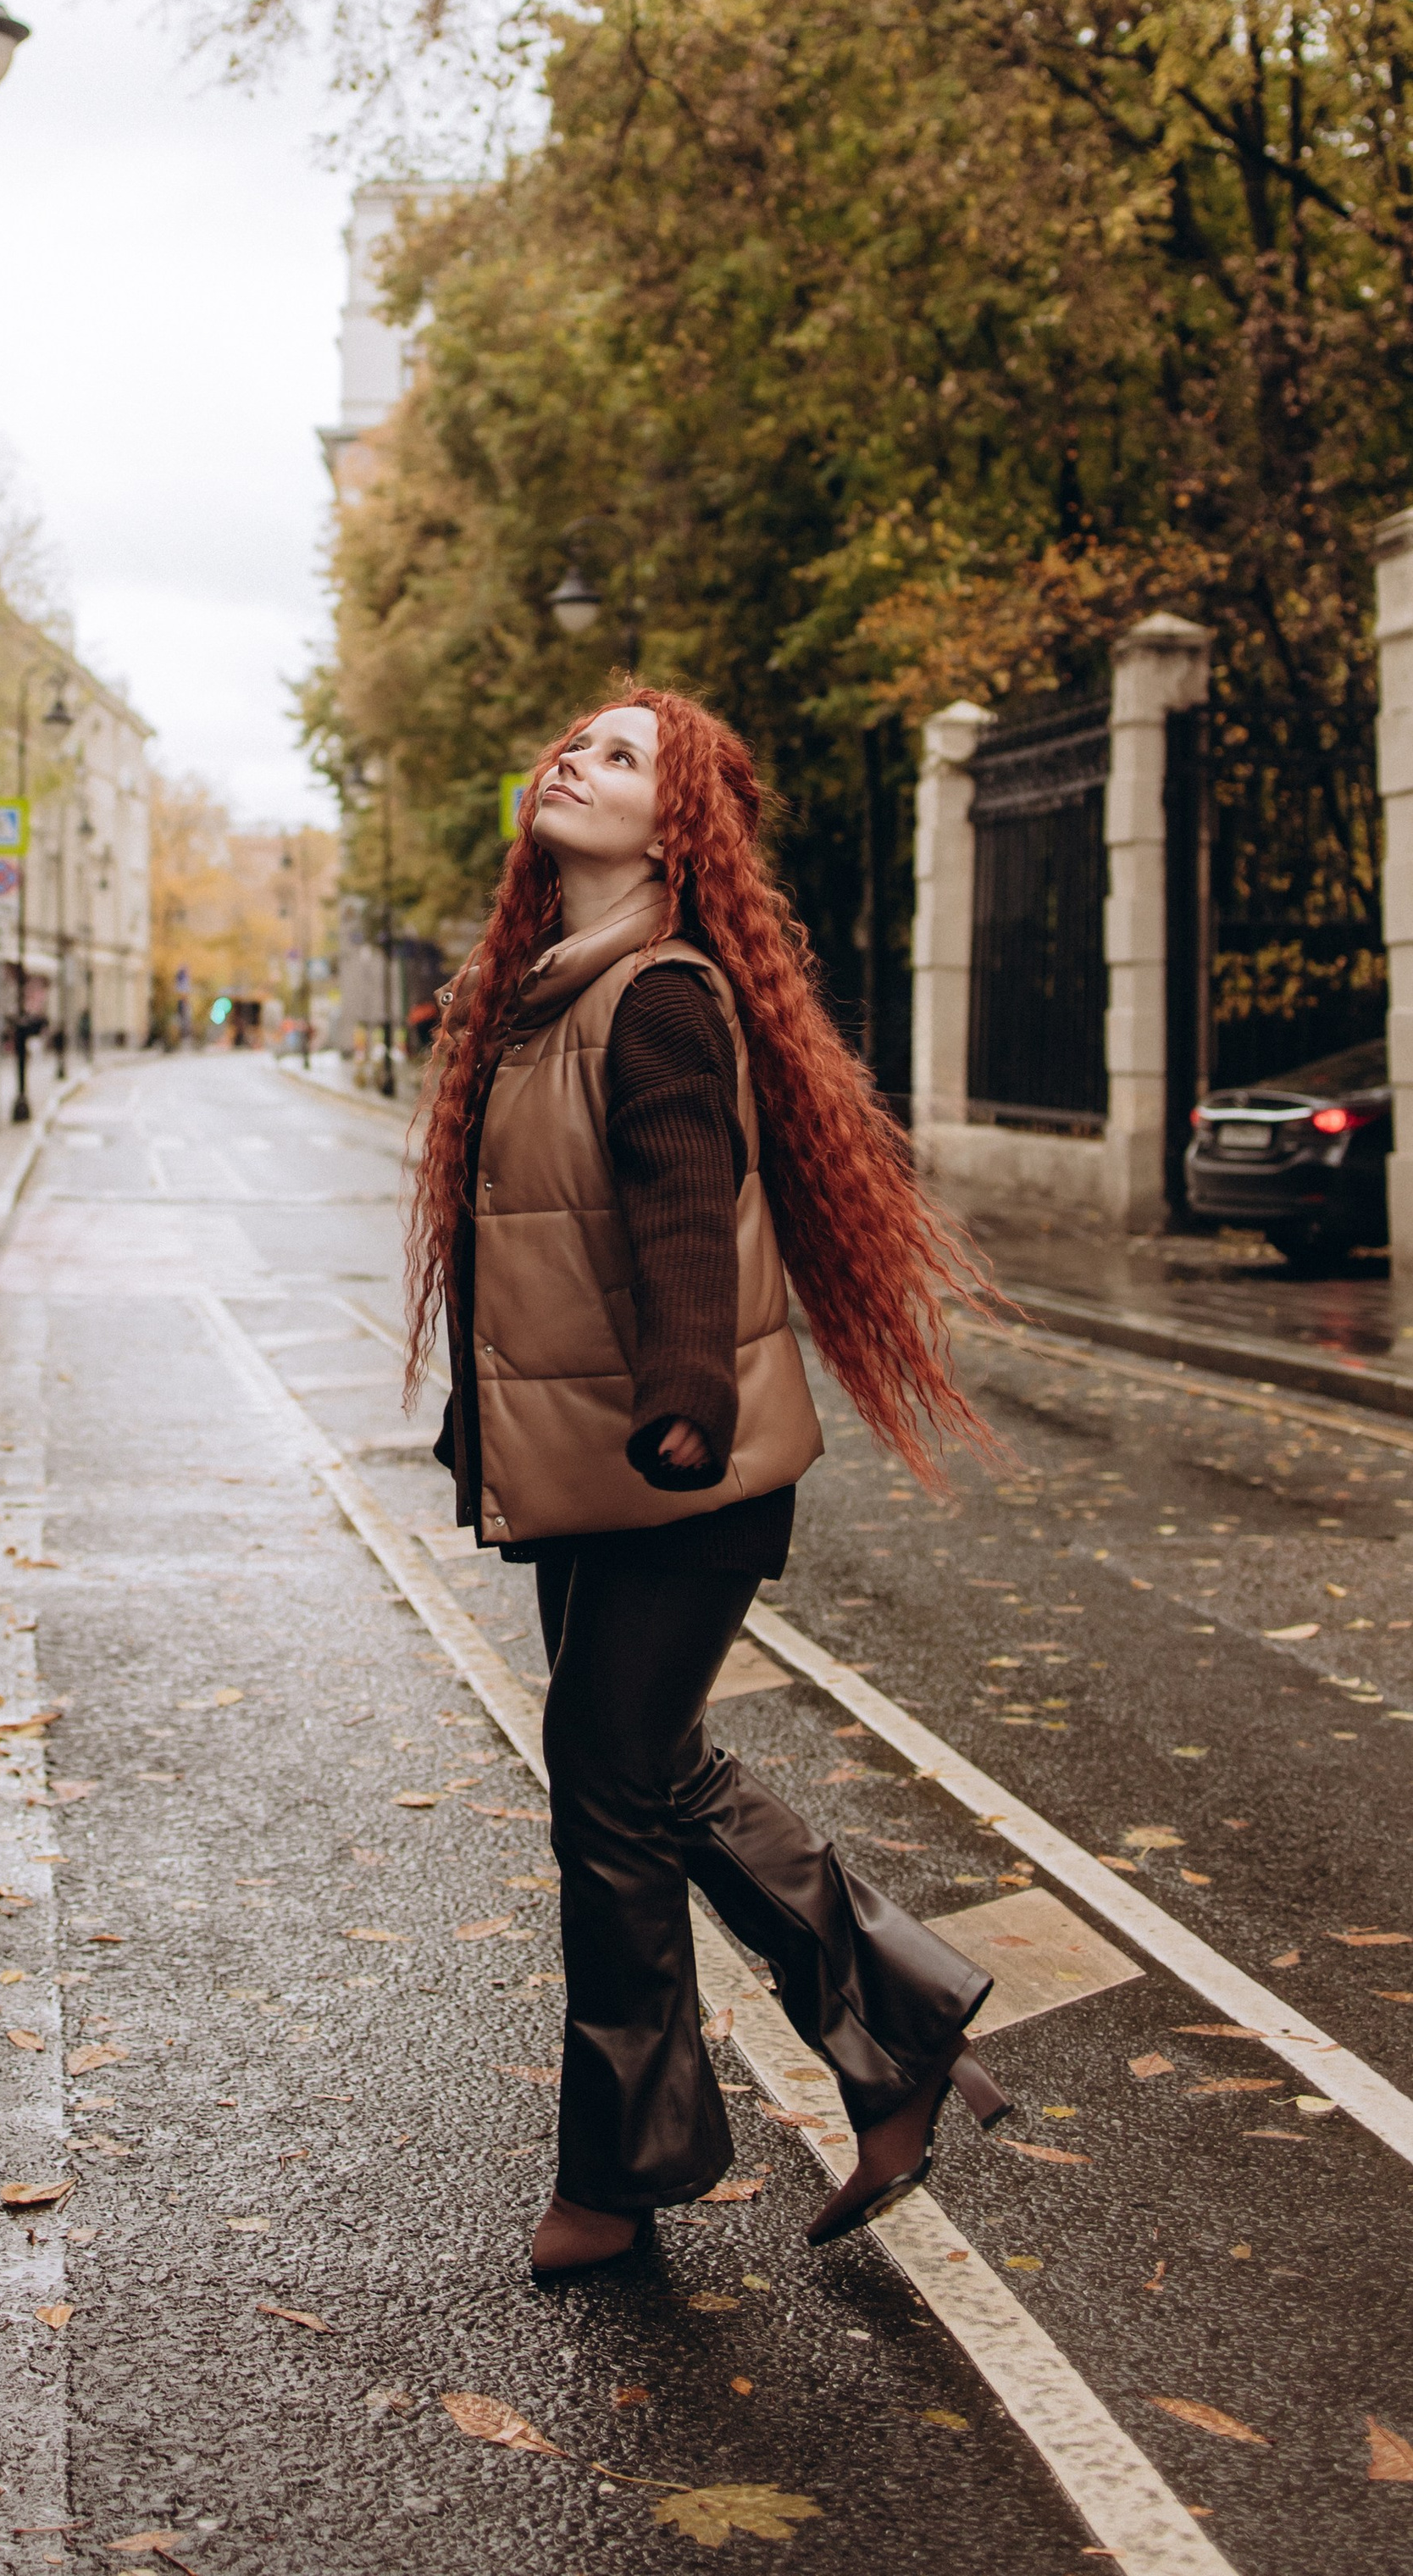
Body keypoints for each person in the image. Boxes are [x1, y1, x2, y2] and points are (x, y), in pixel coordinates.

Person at [409, 686, 1009, 2279]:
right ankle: (891, 2030)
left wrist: (687, 1386)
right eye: (570, 741)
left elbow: (686, 1204)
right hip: (602, 1469)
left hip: (681, 1468)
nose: (572, 761)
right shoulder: (544, 992)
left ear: (678, 826)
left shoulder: (659, 998)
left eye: (619, 755)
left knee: (611, 1787)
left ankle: (625, 2173)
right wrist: (491, 1423)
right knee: (633, 1777)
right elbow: (531, 1259)